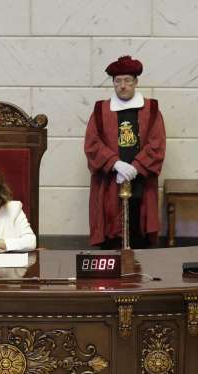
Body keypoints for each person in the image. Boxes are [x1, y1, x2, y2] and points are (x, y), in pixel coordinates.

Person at [85, 55, 166, 249]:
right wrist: (115, 164)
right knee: (111, 232)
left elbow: (157, 144)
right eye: (118, 81)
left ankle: (137, 273)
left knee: (138, 231)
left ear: (136, 81)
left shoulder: (151, 109)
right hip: (110, 181)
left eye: (128, 80)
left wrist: (135, 168)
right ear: (113, 82)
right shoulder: (100, 110)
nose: (123, 86)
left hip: (141, 181)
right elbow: (92, 143)